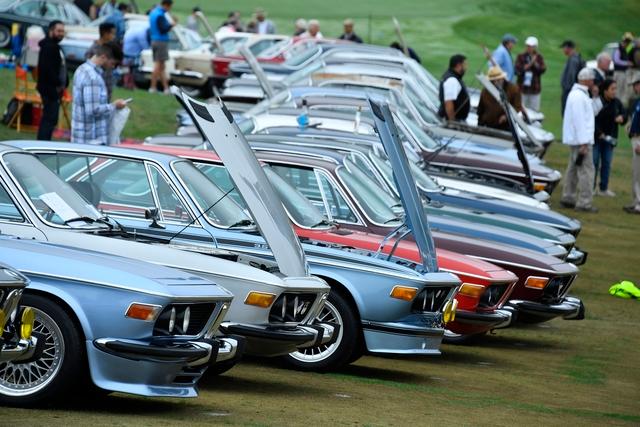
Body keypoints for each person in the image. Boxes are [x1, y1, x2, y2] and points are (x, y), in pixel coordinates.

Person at [72, 43, 127, 145]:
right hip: (91, 140)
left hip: (81, 136)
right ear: (103, 57)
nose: (113, 67)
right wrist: (114, 105)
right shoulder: (93, 77)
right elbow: (92, 110)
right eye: (113, 63)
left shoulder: (81, 69)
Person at [560, 68, 598, 213]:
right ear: (586, 80)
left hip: (577, 139)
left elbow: (590, 114)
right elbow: (580, 120)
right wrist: (584, 142)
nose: (593, 82)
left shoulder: (579, 94)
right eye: (592, 79)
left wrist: (595, 97)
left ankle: (568, 197)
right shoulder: (579, 96)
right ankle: (584, 202)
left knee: (573, 168)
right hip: (581, 140)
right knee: (586, 171)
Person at [593, 79, 626, 197]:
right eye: (612, 89)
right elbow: (591, 119)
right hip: (596, 139)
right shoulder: (597, 102)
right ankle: (591, 188)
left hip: (610, 140)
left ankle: (604, 189)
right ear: (605, 90)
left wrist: (622, 118)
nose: (614, 91)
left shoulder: (617, 103)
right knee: (594, 162)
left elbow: (624, 114)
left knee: (606, 163)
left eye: (615, 89)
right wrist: (599, 133)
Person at [36, 20, 68, 141]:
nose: (61, 33)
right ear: (51, 31)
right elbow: (47, 69)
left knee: (51, 119)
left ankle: (44, 142)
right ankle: (42, 144)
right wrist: (58, 83)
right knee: (49, 119)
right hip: (50, 89)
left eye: (63, 31)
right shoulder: (49, 47)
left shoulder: (55, 46)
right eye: (58, 31)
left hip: (54, 89)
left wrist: (64, 82)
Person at [477, 65, 524, 130]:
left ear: (502, 78)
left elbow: (517, 107)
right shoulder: (485, 91)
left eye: (498, 80)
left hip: (506, 126)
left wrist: (506, 117)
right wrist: (479, 124)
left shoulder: (514, 90)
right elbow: (480, 109)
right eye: (493, 80)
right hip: (487, 125)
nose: (496, 82)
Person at [149, 0, 175, 94]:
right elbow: (163, 29)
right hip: (161, 41)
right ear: (166, 5)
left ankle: (166, 88)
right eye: (170, 7)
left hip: (154, 40)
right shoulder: (160, 15)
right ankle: (152, 87)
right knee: (158, 65)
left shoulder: (153, 12)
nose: (170, 9)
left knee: (162, 66)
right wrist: (171, 25)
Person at [85, 22, 117, 100]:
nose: (114, 36)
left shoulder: (111, 48)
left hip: (107, 84)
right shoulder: (93, 49)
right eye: (112, 34)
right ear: (105, 34)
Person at [514, 36, 546, 111]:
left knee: (534, 111)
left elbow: (543, 69)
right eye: (527, 46)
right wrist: (530, 64)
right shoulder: (520, 56)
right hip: (522, 89)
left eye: (531, 46)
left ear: (535, 47)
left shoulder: (539, 57)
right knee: (520, 110)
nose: (528, 48)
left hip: (534, 90)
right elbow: (517, 70)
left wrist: (535, 63)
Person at [438, 54, 469, 122]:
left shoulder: (453, 77)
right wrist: (452, 122)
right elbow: (449, 103)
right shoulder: (452, 80)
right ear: (458, 65)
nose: (466, 68)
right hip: (452, 122)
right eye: (465, 65)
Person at [625, 77, 640, 214]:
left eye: (636, 85)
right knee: (636, 172)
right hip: (635, 138)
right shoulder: (638, 100)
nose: (635, 88)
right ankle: (636, 201)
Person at [560, 40, 585, 114]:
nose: (563, 50)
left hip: (569, 91)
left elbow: (571, 78)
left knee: (567, 113)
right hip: (571, 91)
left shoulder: (573, 60)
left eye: (564, 48)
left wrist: (570, 91)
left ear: (568, 48)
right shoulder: (574, 58)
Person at [122, 24, 150, 89]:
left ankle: (127, 84)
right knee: (131, 70)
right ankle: (129, 84)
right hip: (132, 54)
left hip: (127, 53)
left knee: (128, 70)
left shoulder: (138, 31)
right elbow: (145, 46)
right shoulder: (141, 34)